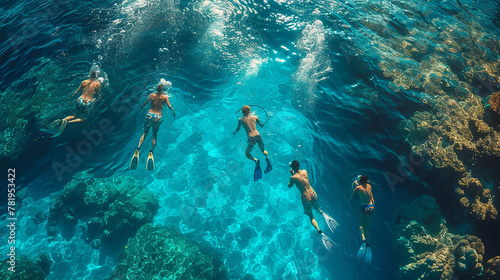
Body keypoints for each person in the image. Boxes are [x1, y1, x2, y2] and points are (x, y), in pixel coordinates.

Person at [288, 160, 338, 251]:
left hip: (305, 197)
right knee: (316, 207)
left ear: (292, 168)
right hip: (313, 193)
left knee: (311, 216)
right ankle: (322, 213)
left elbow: (289, 186)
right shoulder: (305, 171)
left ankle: (320, 232)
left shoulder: (293, 178)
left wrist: (292, 174)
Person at [129, 79, 175, 171]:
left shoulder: (151, 95)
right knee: (154, 135)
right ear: (162, 89)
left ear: (157, 88)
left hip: (149, 115)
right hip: (157, 116)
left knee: (144, 133)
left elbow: (144, 104)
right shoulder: (165, 97)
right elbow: (169, 106)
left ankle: (138, 149)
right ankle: (151, 151)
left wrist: (142, 107)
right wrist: (173, 111)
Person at [46, 66, 102, 137]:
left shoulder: (84, 81)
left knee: (74, 115)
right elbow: (98, 94)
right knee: (83, 118)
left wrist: (72, 98)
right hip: (87, 102)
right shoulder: (98, 84)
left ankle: (62, 120)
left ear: (90, 75)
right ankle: (68, 122)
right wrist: (99, 98)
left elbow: (75, 93)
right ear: (97, 75)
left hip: (79, 100)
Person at [233, 105, 272, 180]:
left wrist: (234, 132)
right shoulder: (255, 117)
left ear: (243, 112)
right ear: (249, 111)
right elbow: (262, 125)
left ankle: (256, 160)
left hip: (251, 137)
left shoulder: (241, 119)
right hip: (258, 135)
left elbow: (238, 128)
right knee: (263, 150)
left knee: (247, 153)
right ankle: (267, 157)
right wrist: (267, 119)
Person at [350, 174, 374, 264]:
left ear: (360, 181)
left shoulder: (358, 188)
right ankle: (368, 243)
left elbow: (352, 197)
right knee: (366, 227)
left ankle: (363, 239)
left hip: (364, 207)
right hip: (371, 207)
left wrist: (348, 202)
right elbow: (365, 187)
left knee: (360, 225)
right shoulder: (370, 186)